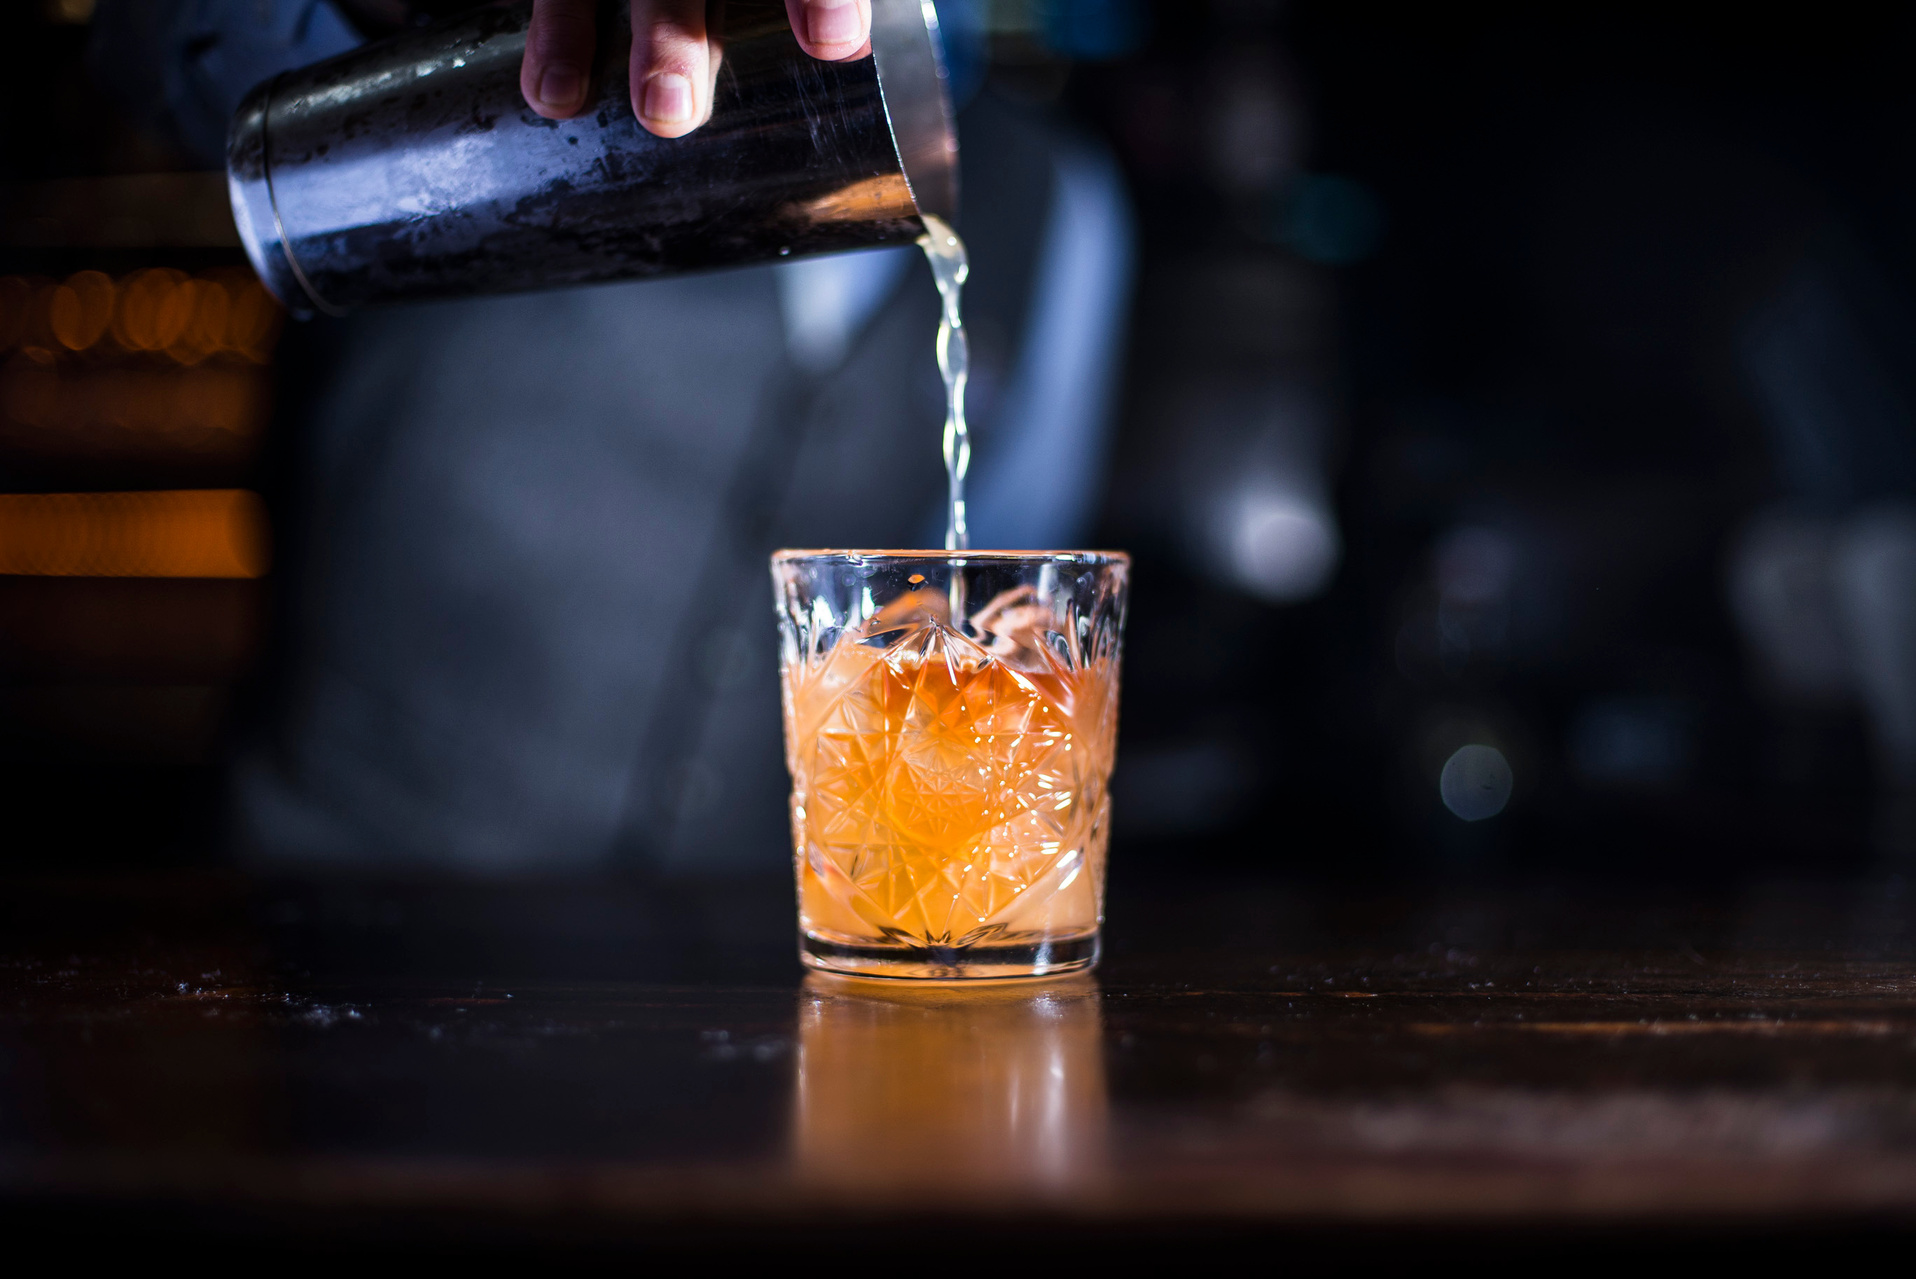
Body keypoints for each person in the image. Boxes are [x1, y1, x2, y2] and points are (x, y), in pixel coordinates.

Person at [90, 0, 1134, 875]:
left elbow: (1001, 613)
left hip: (737, 1010)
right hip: (349, 932)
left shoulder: (1057, 204)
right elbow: (166, 47)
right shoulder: (528, 39)